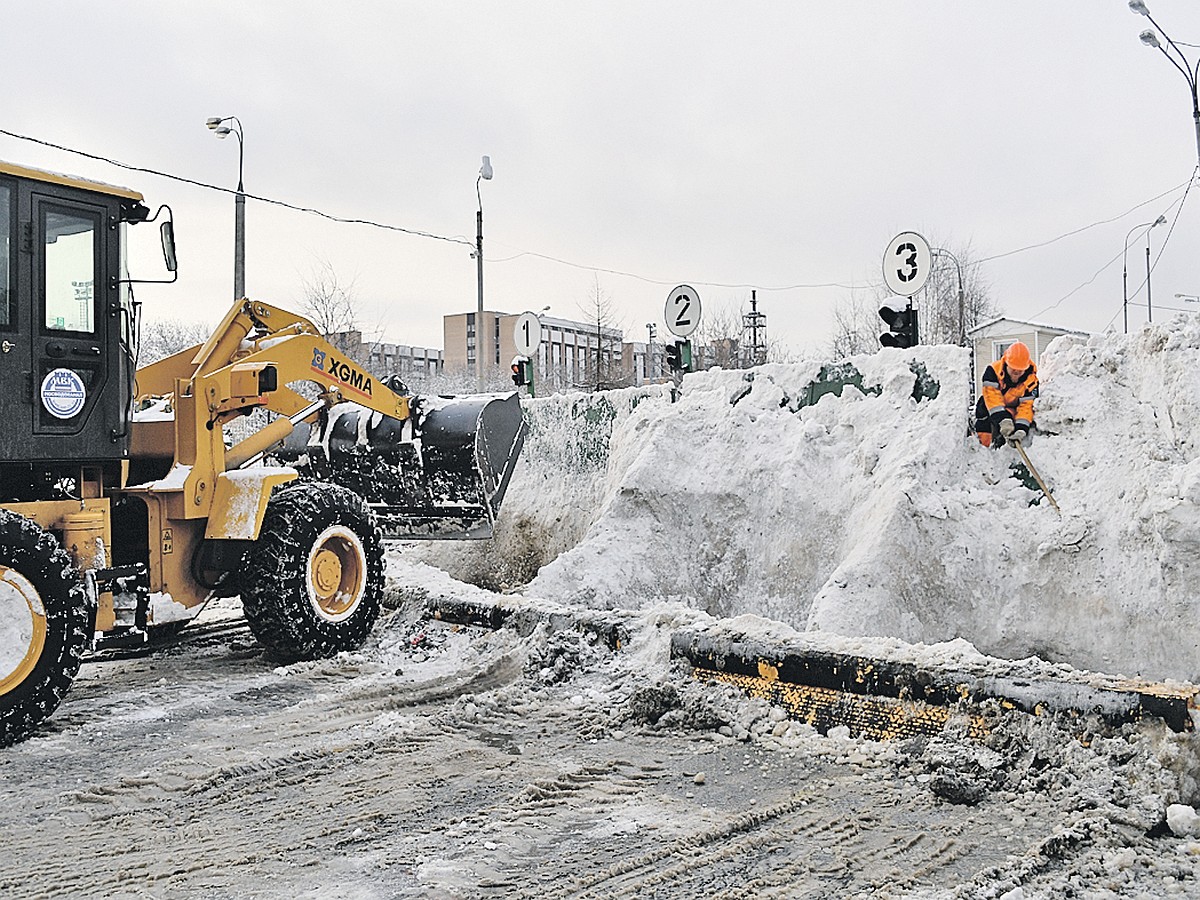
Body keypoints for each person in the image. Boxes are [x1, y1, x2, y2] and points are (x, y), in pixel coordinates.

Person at [975, 341, 1037, 448]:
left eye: (1020, 370)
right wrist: (1003, 419)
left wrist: (1021, 429)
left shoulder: (1031, 381)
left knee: (1009, 429)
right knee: (982, 409)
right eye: (1013, 369)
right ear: (1006, 363)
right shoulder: (993, 371)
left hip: (1014, 409)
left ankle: (1002, 446)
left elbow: (1026, 407)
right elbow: (992, 397)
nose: (1016, 373)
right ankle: (982, 446)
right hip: (991, 407)